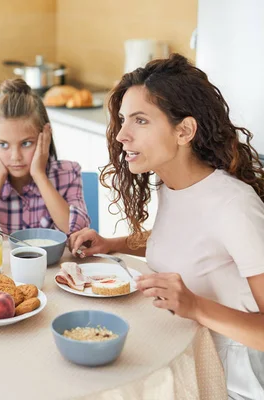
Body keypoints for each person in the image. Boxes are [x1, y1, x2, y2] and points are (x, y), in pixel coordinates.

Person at [69, 54, 264, 398]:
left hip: (234, 381)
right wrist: (112, 244)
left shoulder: (235, 207)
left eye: (140, 121)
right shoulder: (170, 182)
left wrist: (194, 305)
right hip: (180, 356)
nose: (122, 136)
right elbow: (186, 241)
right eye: (123, 120)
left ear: (184, 131)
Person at [0, 78, 90, 242]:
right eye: (3, 144)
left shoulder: (68, 174)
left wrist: (39, 175)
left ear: (45, 137)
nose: (15, 156)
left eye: (26, 143)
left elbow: (79, 232)